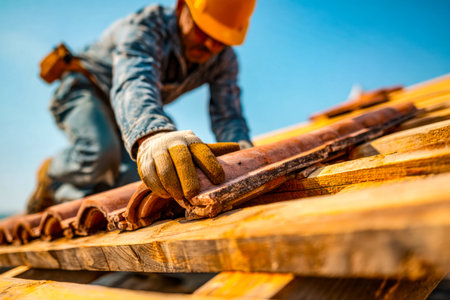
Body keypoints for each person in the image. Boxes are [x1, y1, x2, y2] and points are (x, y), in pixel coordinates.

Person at [27, 0, 257, 213]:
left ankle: (68, 199)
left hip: (128, 114)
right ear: (180, 7)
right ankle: (52, 174)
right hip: (87, 89)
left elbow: (228, 117)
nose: (209, 44)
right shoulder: (147, 25)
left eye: (220, 39)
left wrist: (245, 155)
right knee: (100, 153)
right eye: (202, 31)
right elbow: (135, 81)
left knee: (134, 181)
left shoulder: (225, 60)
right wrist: (155, 134)